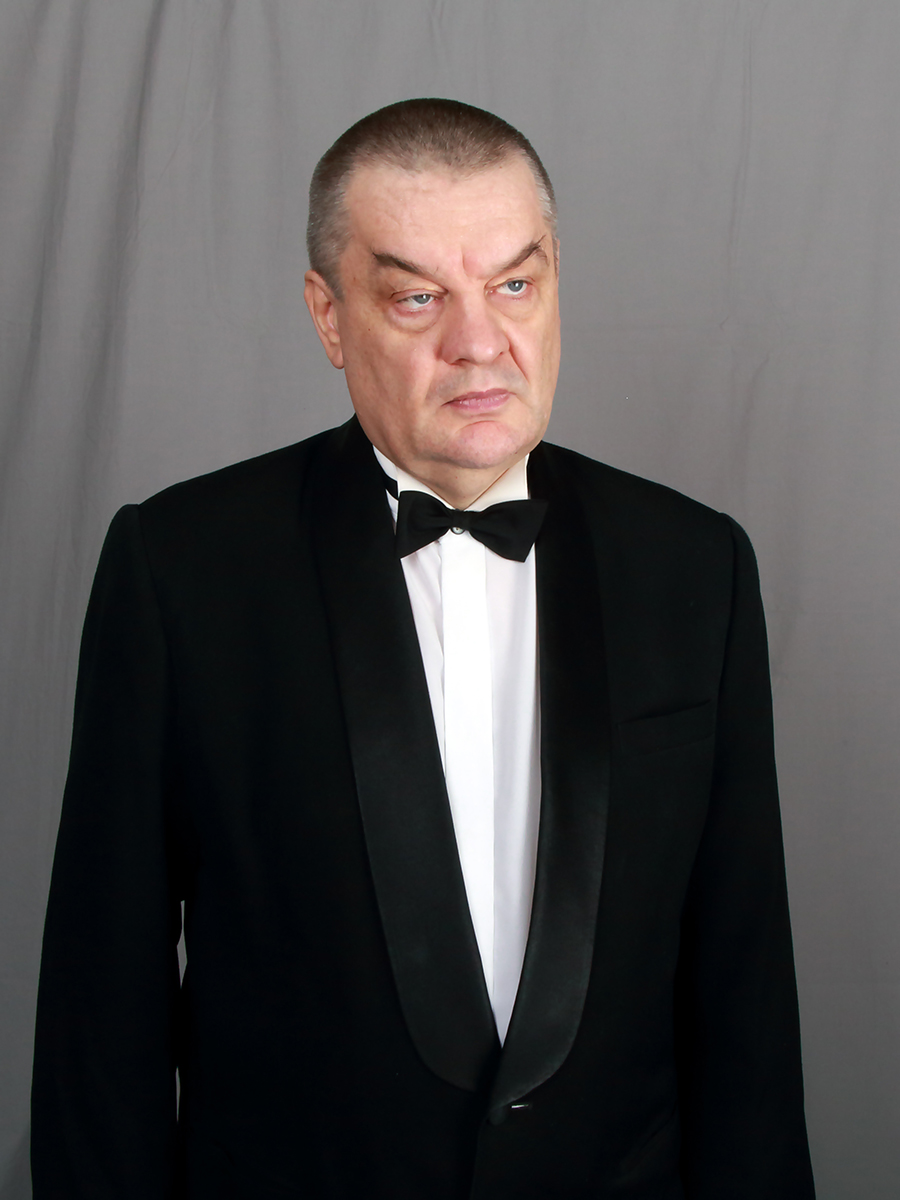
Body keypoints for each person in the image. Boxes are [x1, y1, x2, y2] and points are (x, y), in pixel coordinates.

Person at [31, 98, 816, 1199]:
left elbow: (744, 990)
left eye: (514, 285)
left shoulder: (697, 565)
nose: (479, 343)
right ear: (329, 317)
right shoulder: (179, 568)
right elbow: (101, 1006)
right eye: (416, 297)